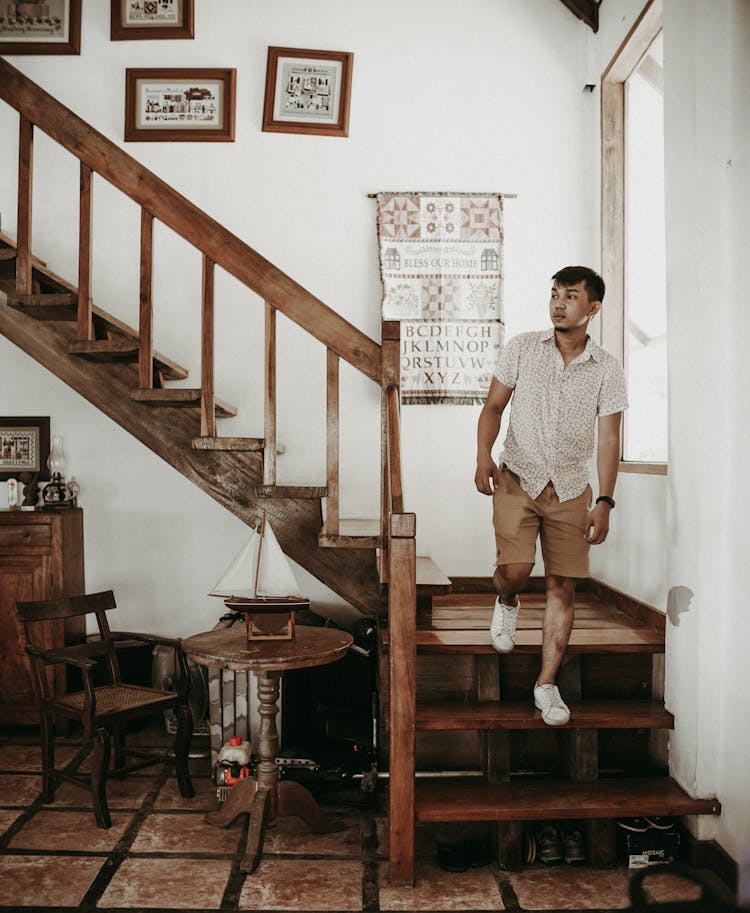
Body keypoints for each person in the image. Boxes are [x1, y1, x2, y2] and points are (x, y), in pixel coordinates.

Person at [474, 266, 627, 726]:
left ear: (593, 307)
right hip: (517, 477)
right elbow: (494, 406)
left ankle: (545, 684)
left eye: (571, 296)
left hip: (569, 489)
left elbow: (608, 440)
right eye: (555, 294)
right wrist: (483, 454)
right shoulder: (522, 347)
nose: (559, 303)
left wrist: (605, 500)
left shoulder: (608, 370)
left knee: (563, 584)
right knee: (515, 573)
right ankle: (507, 602)